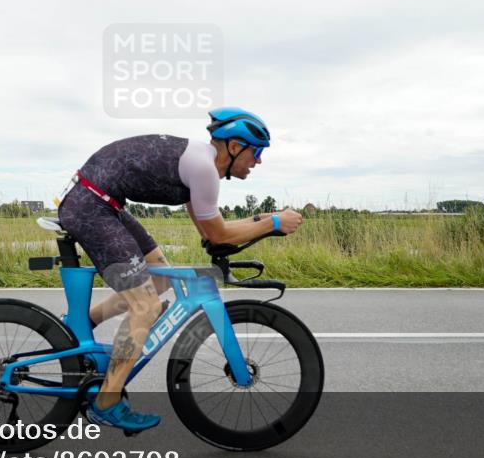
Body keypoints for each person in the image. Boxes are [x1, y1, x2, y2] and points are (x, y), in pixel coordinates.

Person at [57, 108, 303, 432]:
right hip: (91, 206)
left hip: (101, 201)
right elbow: (219, 233)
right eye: (256, 152)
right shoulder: (204, 168)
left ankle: (81, 324)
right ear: (233, 147)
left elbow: (209, 228)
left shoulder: (202, 166)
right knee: (145, 307)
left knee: (160, 276)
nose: (257, 161)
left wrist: (245, 230)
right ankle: (106, 402)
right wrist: (272, 221)